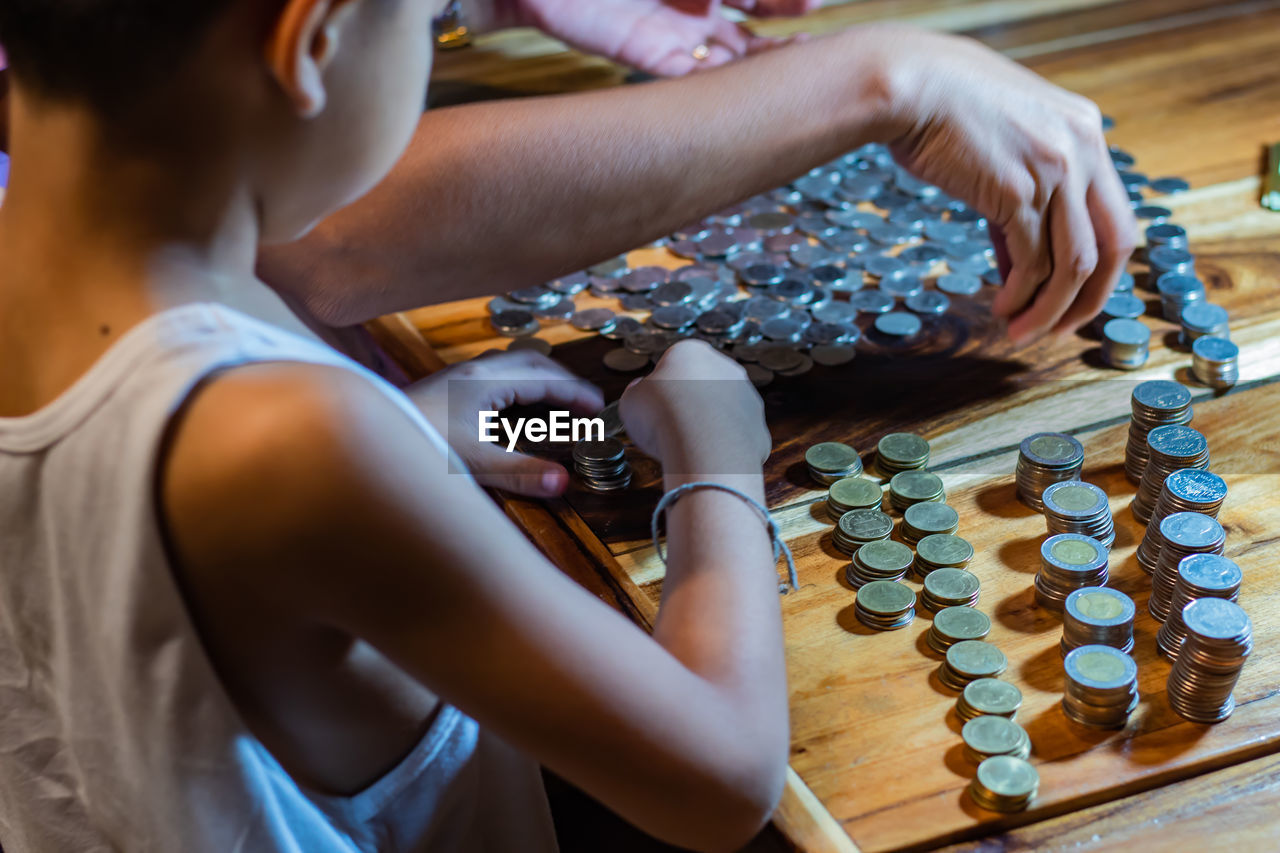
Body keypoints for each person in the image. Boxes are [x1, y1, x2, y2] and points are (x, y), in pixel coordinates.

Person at [0, 1, 788, 852]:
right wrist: (717, 454)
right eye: (433, 20)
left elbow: (100, 514)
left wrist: (400, 433)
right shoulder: (294, 447)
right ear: (311, 39)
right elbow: (723, 779)